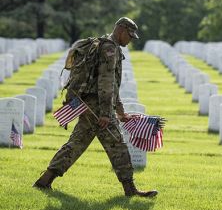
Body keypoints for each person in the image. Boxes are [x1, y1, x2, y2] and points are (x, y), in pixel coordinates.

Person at [33, 17, 158, 198]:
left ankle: (45, 180)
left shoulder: (102, 44)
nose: (130, 40)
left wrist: (120, 111)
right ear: (121, 30)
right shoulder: (109, 49)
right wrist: (107, 114)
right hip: (98, 107)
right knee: (117, 145)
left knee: (76, 144)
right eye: (130, 35)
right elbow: (106, 84)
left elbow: (113, 85)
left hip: (88, 104)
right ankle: (130, 190)